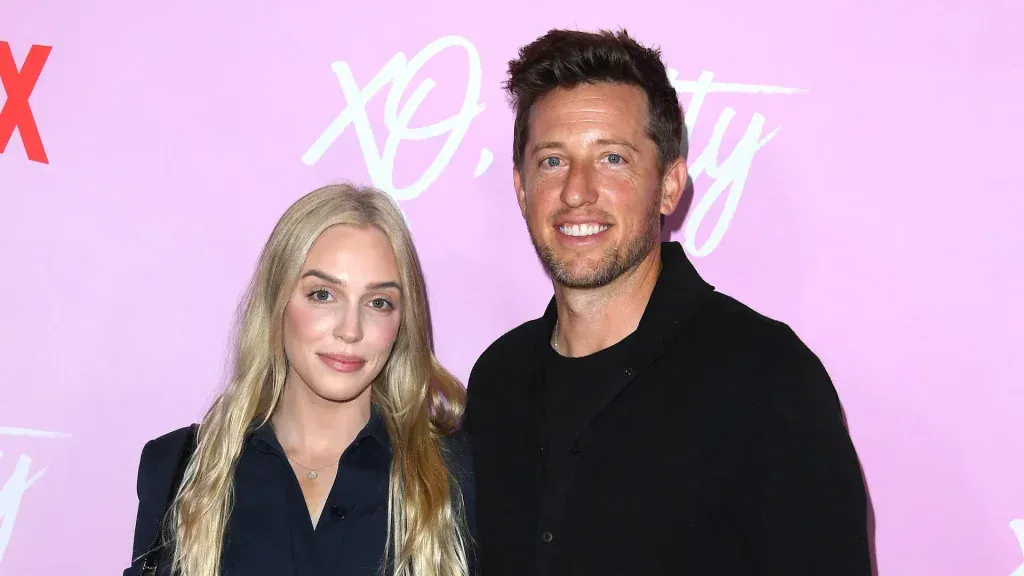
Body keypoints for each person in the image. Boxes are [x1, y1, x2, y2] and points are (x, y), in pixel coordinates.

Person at [463, 28, 871, 575]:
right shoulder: (496, 382)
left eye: (612, 159)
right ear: (520, 188)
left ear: (671, 185)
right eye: (552, 161)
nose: (577, 191)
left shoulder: (767, 377)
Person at [124, 184, 476, 576]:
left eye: (379, 302)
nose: (351, 330)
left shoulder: (453, 477)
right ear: (278, 302)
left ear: (402, 322)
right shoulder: (179, 471)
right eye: (323, 294)